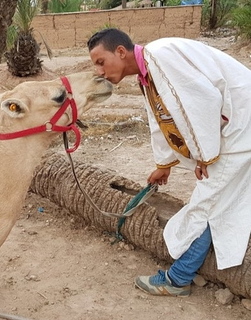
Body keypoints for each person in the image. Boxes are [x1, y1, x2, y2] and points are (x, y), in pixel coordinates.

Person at [87, 28, 251, 297]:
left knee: (206, 204)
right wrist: (164, 165)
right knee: (224, 198)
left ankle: (178, 280)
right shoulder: (149, 69)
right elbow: (160, 117)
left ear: (120, 51)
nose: (99, 72)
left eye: (100, 62)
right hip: (237, 125)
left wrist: (204, 155)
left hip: (242, 126)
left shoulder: (161, 57)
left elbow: (201, 102)